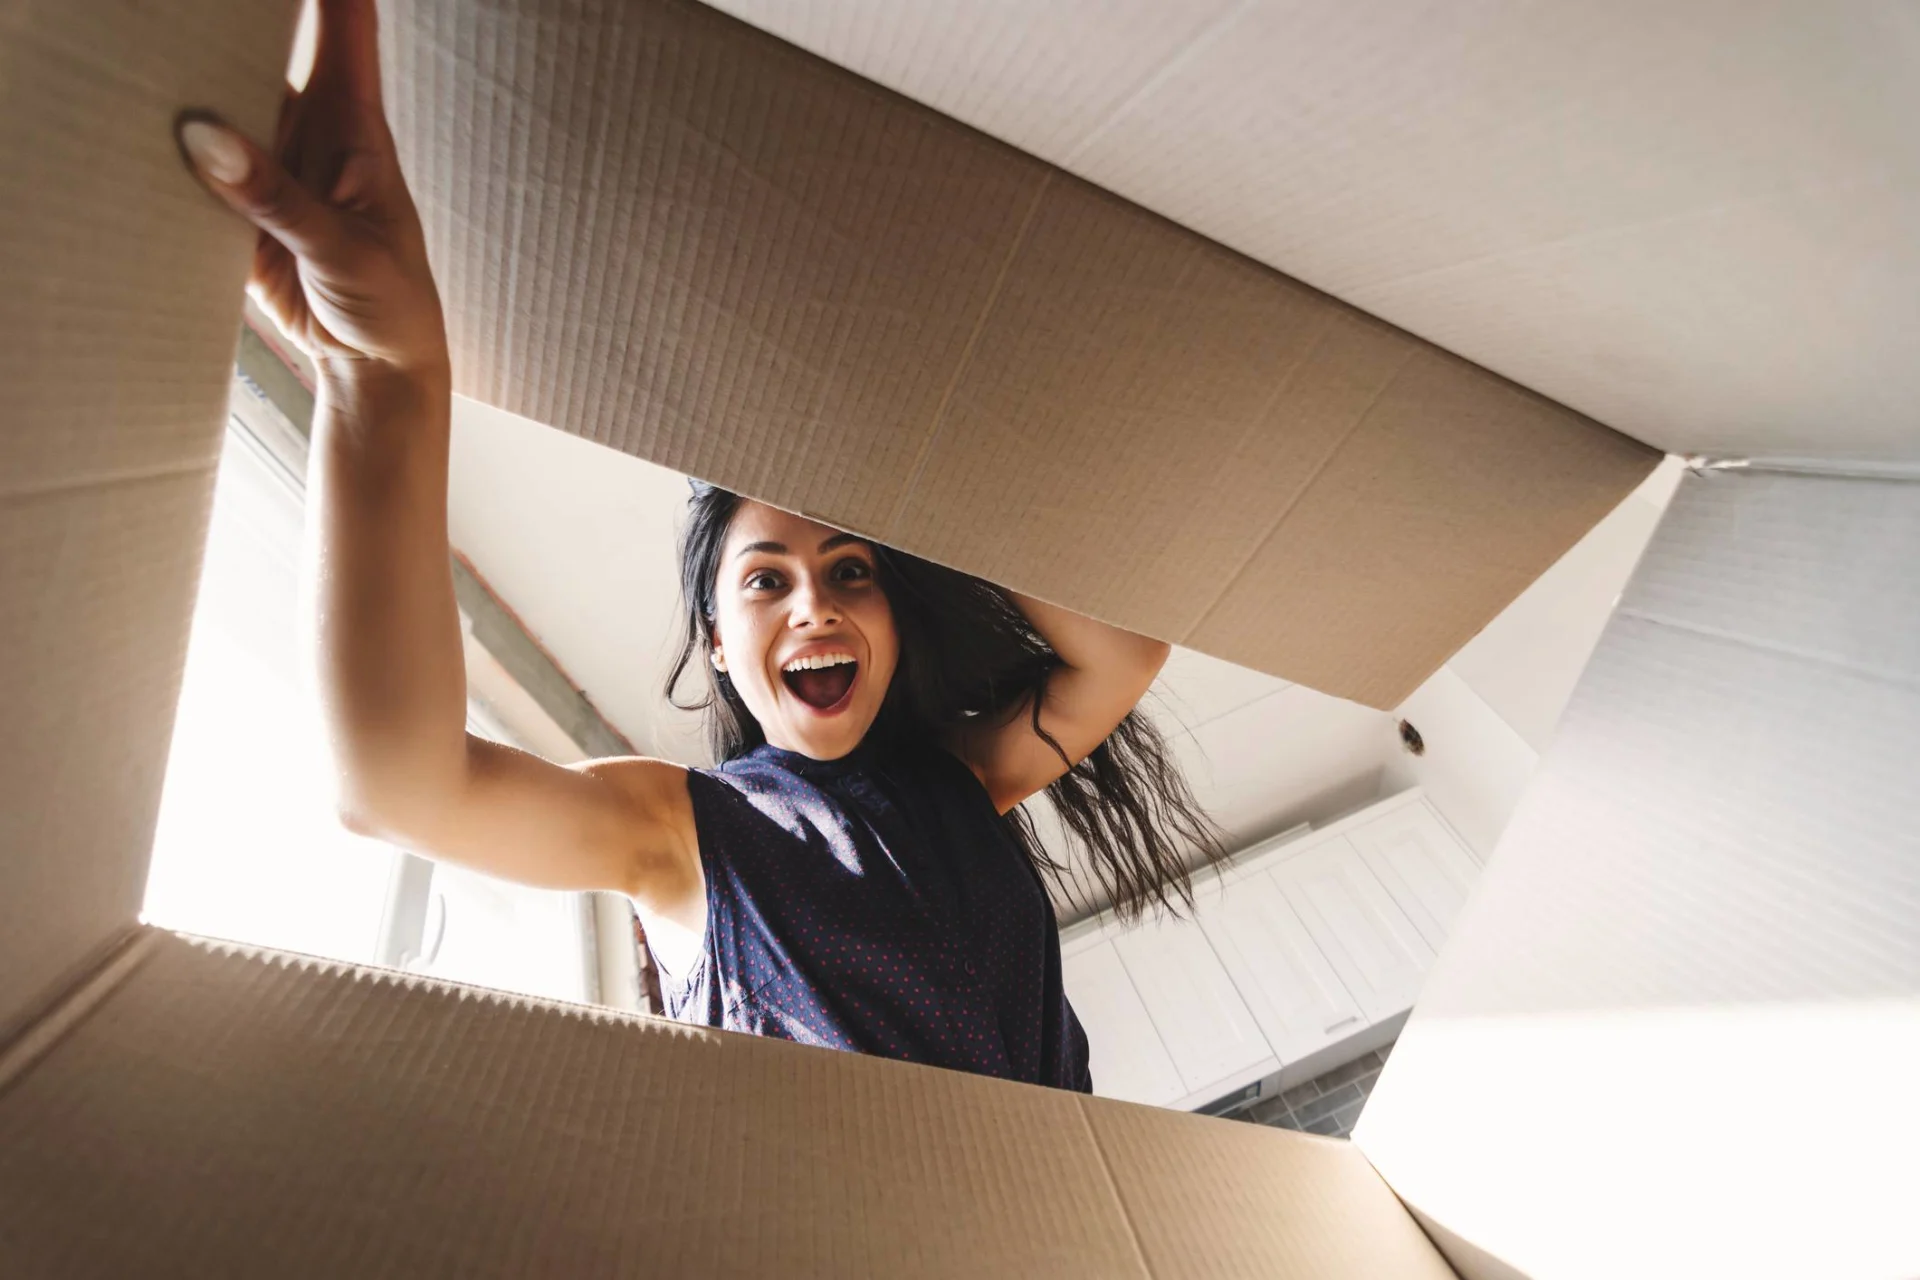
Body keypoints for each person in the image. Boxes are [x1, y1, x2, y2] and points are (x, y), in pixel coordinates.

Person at [175, 0, 1221, 1093]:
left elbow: (1121, 656)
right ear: (719, 641)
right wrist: (381, 377)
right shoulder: (675, 829)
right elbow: (402, 788)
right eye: (767, 580)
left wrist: (920, 462)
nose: (815, 602)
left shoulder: (963, 779)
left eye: (852, 569)